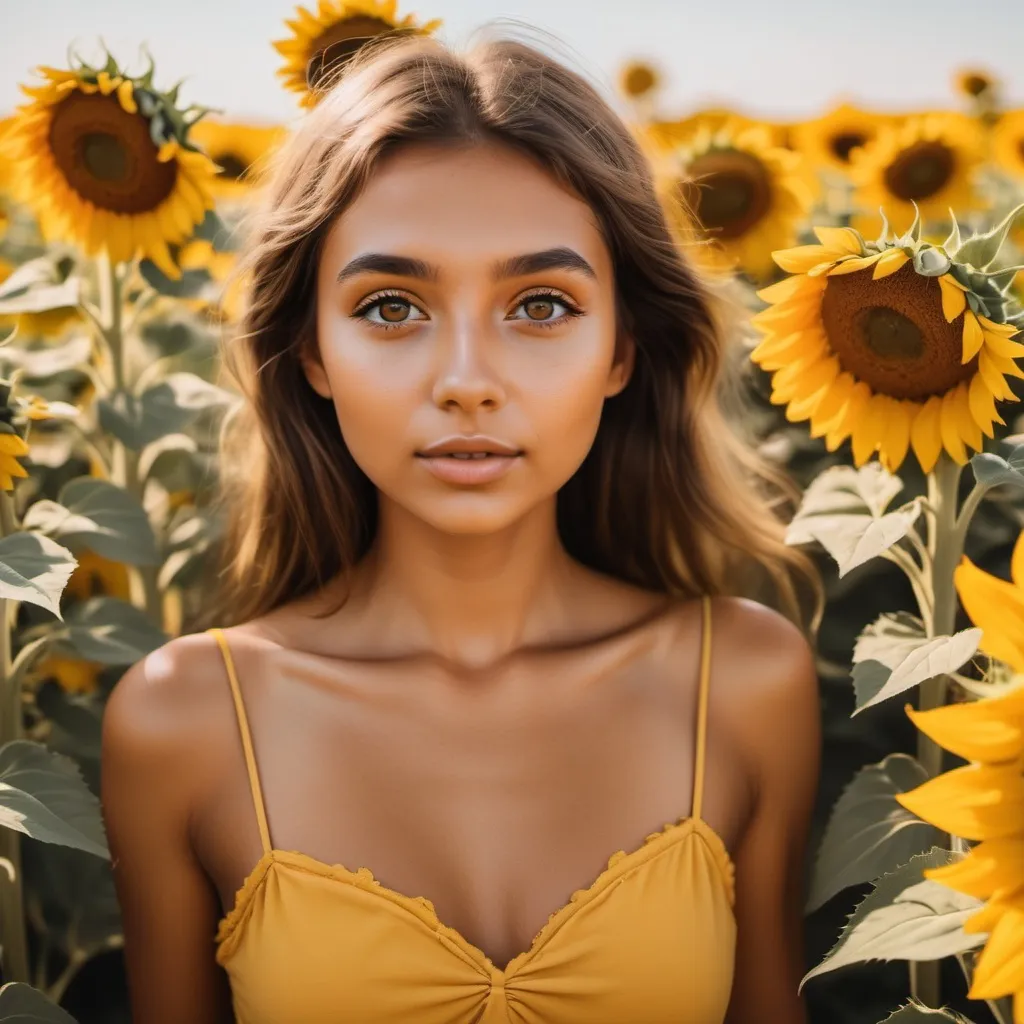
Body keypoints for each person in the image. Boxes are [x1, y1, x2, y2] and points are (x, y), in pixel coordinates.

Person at [100, 30, 822, 1024]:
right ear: (309, 348)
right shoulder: (184, 724)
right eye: (393, 306)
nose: (467, 382)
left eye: (540, 304)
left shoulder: (741, 684)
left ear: (623, 349)